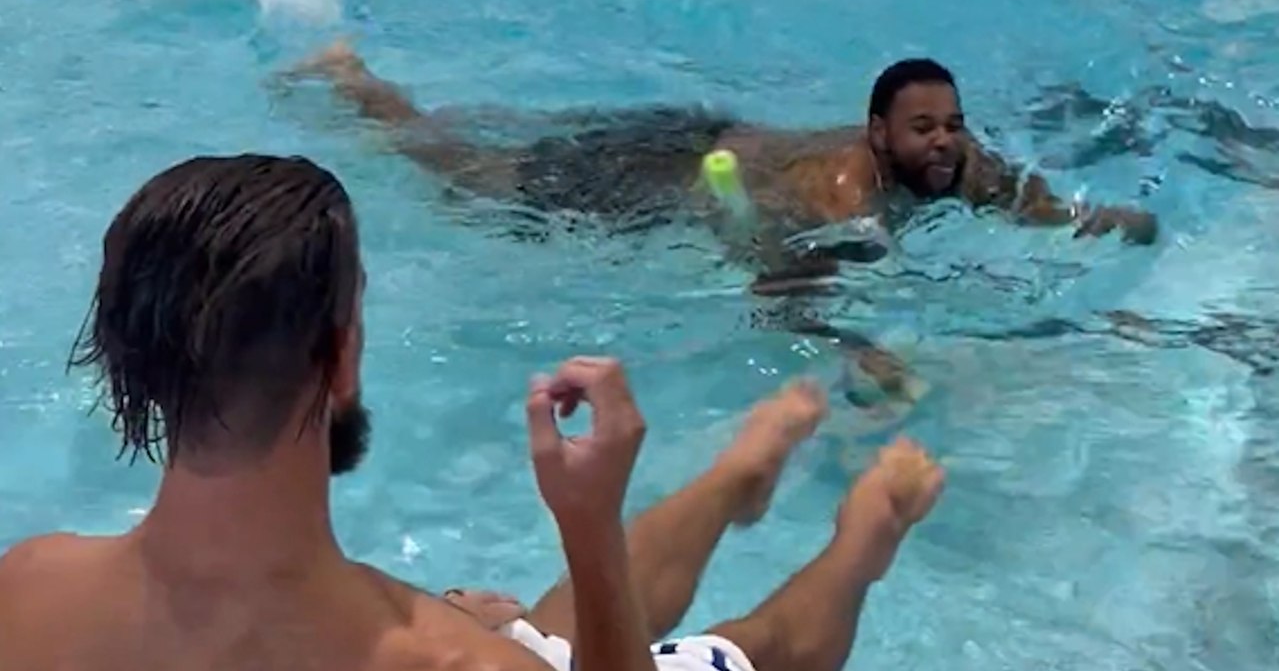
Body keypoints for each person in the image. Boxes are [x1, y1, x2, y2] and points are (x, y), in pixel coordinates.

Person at [0, 153, 945, 671]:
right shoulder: (444, 660)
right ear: (340, 357)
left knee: (547, 628)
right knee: (752, 649)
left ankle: (737, 477)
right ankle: (865, 531)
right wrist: (587, 525)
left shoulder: (28, 594)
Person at [285, 43, 1158, 408]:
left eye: (951, 125)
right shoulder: (841, 200)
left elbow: (1025, 201)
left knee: (500, 148)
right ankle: (354, 84)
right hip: (662, 174)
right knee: (468, 179)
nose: (942, 142)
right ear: (876, 135)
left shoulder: (957, 162)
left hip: (722, 138)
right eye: (921, 128)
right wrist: (856, 348)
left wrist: (1096, 220)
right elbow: (778, 288)